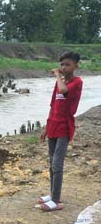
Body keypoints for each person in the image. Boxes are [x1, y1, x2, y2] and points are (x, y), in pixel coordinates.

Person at [38, 52, 83, 212]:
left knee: (57, 164)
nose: (63, 67)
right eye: (62, 64)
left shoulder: (77, 82)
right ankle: (52, 194)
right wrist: (46, 127)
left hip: (64, 126)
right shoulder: (60, 82)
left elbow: (64, 90)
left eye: (67, 65)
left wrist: (57, 75)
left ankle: (56, 201)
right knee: (51, 163)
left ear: (75, 66)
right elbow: (53, 105)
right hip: (53, 125)